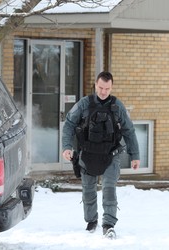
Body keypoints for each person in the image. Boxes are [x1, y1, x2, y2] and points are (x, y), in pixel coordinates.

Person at [62, 71, 140, 238]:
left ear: (111, 87)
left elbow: (129, 130)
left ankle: (108, 223)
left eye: (107, 88)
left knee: (109, 188)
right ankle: (91, 221)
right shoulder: (84, 104)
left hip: (110, 155)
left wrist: (135, 155)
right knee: (88, 190)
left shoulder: (117, 106)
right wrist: (67, 147)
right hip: (87, 154)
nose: (103, 92)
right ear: (95, 85)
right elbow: (69, 124)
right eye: (100, 87)